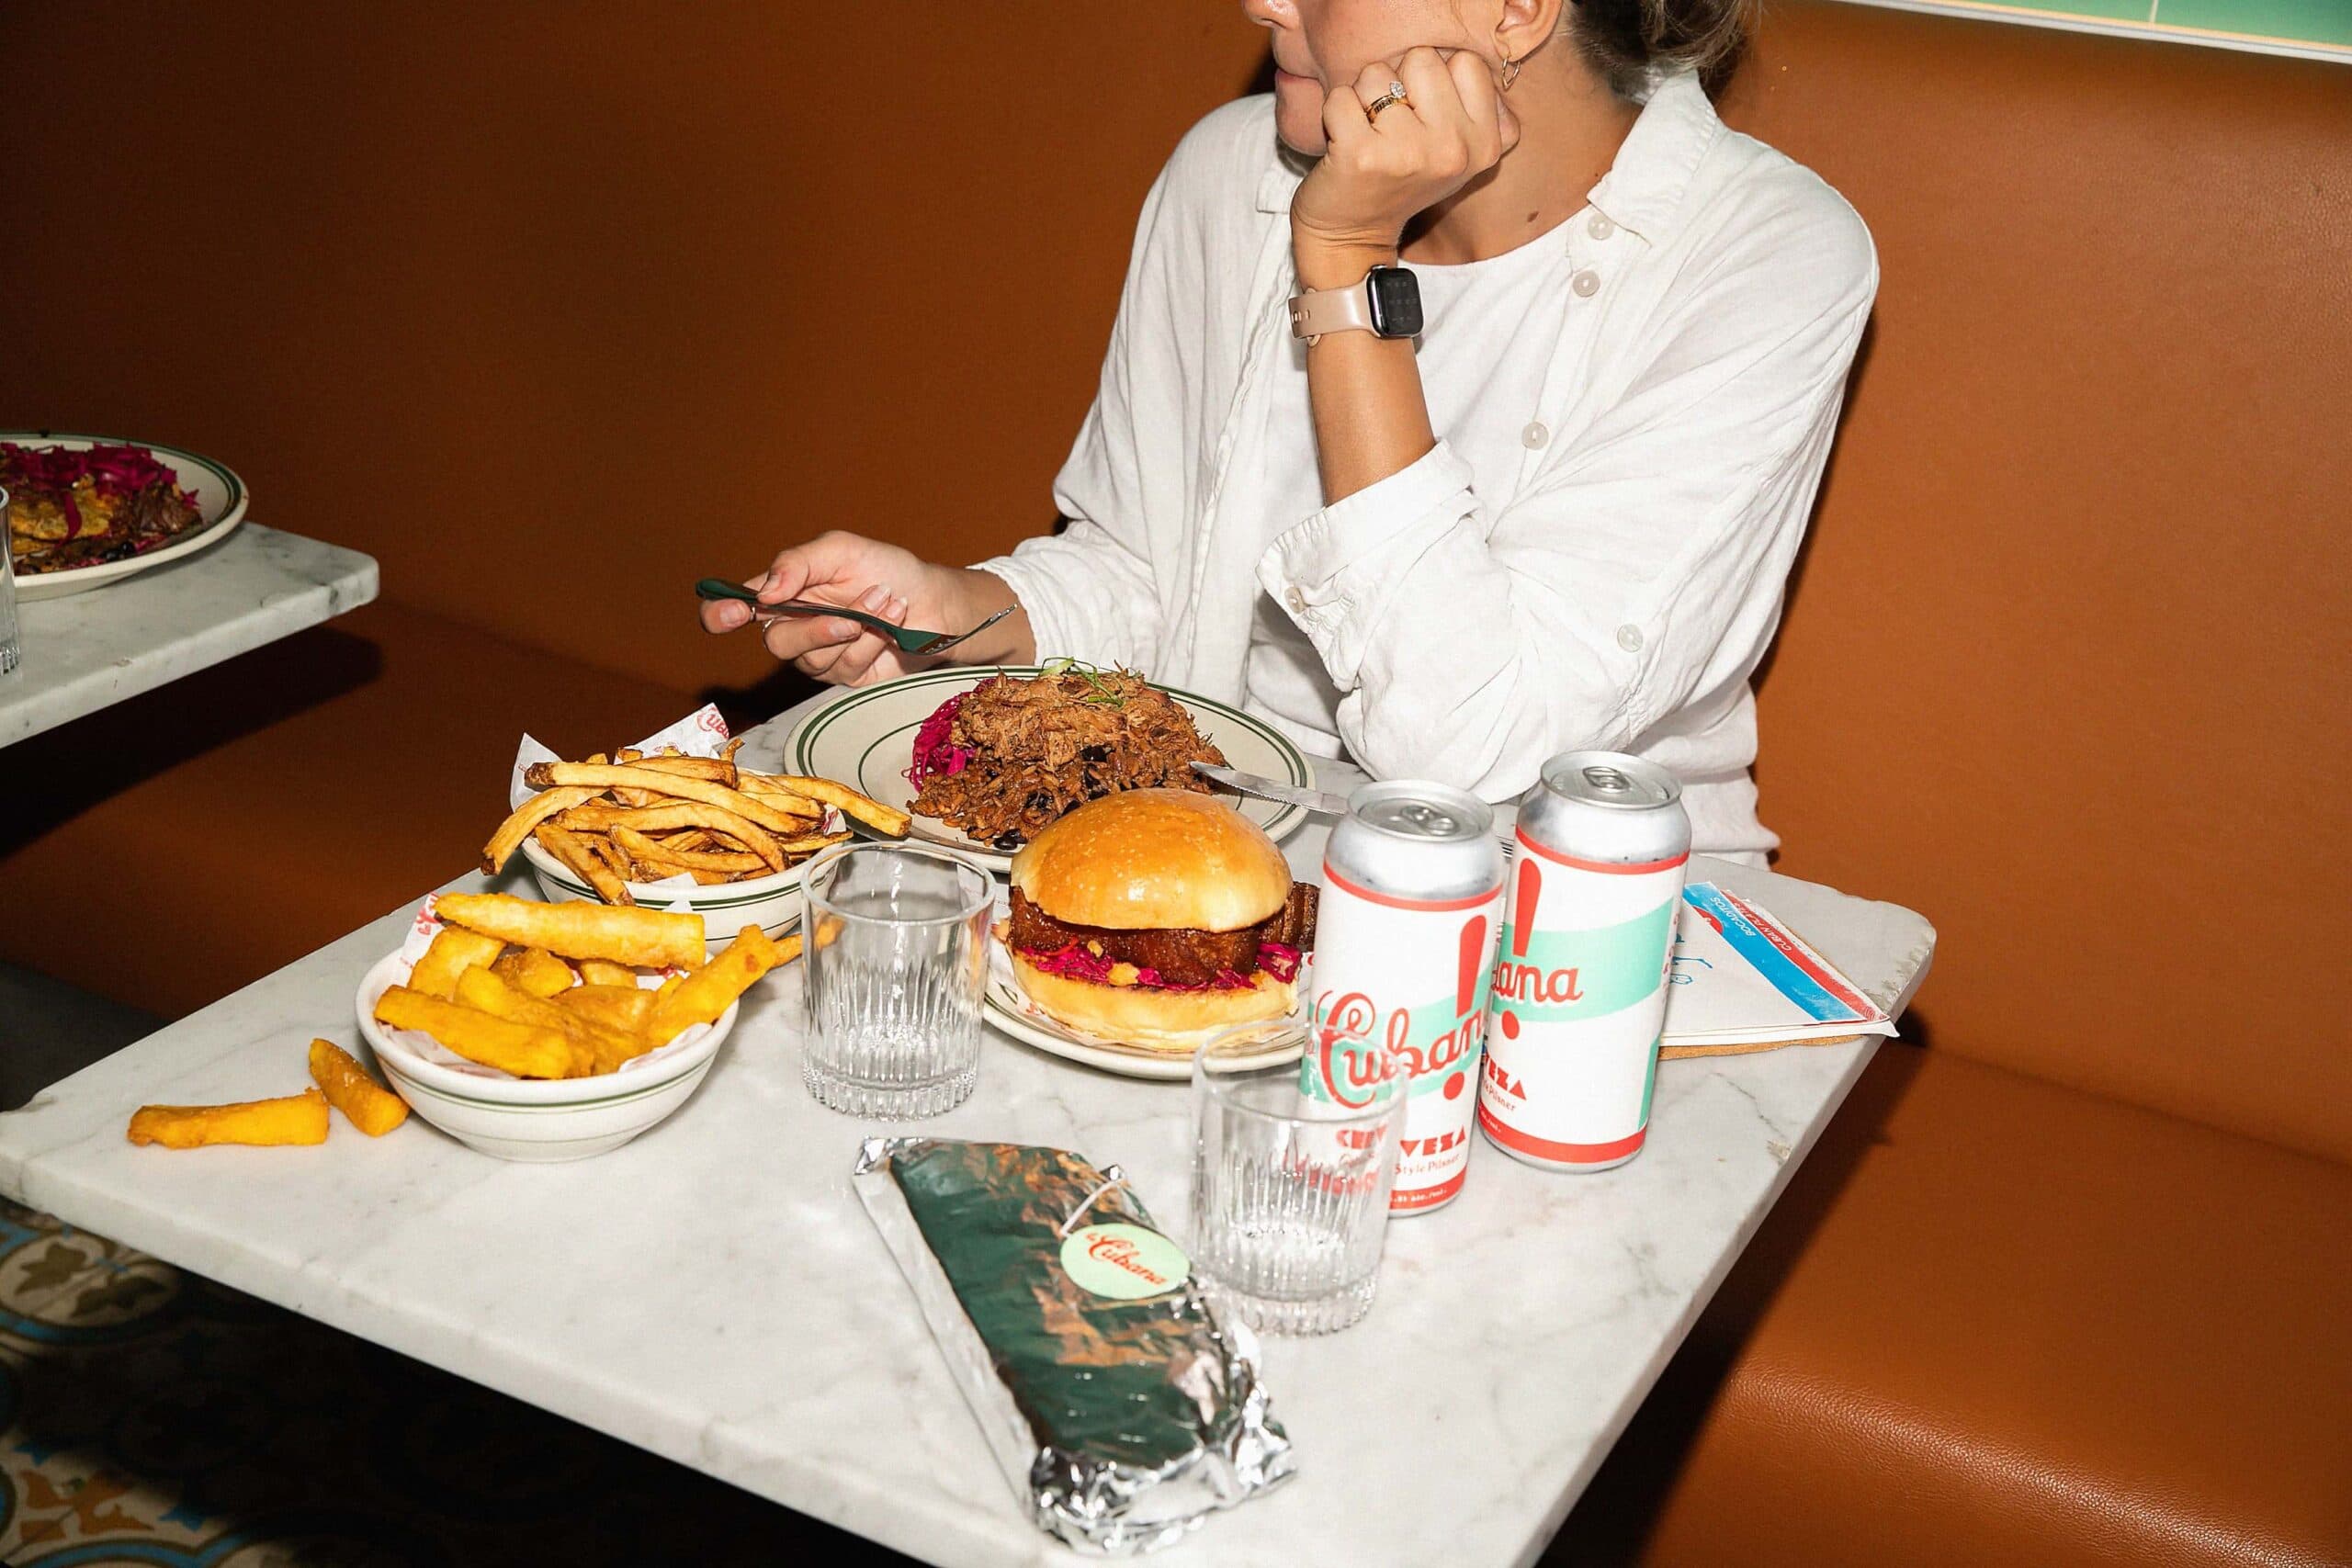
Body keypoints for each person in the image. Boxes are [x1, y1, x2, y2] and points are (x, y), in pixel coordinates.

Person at [700, 0, 1873, 863]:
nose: (1262, 4)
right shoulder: (1233, 170)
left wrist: (1346, 268)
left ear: (1515, 8)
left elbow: (1471, 748)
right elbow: (1145, 574)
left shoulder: (1765, 257)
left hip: (1585, 938)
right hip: (1207, 857)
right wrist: (952, 614)